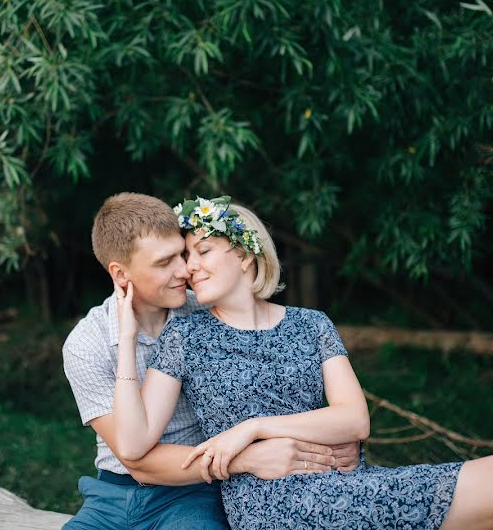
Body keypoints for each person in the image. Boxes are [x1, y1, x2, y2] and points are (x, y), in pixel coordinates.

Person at [111, 195, 493, 529]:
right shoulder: (188, 334)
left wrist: (251, 427)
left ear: (245, 255)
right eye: (184, 256)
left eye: (202, 249)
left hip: (346, 483)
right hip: (273, 505)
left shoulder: (312, 324)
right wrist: (128, 333)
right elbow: (134, 445)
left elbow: (354, 419)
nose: (189, 266)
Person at [61, 193, 361, 529]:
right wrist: (245, 459)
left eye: (183, 254)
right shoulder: (87, 344)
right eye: (165, 263)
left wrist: (321, 445)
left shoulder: (210, 308)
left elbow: (268, 385)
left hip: (192, 491)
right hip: (112, 494)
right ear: (120, 274)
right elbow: (138, 461)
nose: (185, 270)